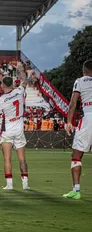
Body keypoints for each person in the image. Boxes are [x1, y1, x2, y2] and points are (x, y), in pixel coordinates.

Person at [0, 70, 30, 190]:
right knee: (22, 158)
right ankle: (25, 184)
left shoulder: (1, 100)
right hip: (19, 127)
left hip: (8, 129)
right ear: (12, 84)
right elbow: (25, 81)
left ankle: (9, 184)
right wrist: (20, 69)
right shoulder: (19, 91)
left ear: (2, 86)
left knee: (7, 158)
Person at [63, 60, 92, 200]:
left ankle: (76, 190)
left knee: (76, 155)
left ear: (83, 70)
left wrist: (69, 121)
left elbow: (73, 102)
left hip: (88, 117)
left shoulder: (80, 81)